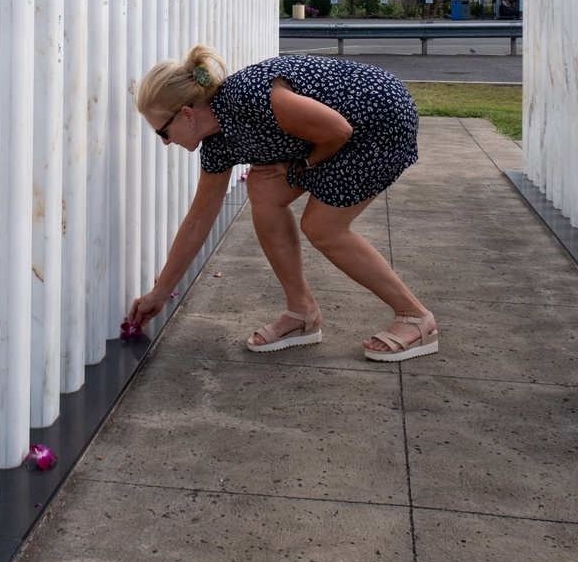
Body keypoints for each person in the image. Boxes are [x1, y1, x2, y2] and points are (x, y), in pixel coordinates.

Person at [127, 44, 437, 361]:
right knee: (263, 189)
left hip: (379, 120)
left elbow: (337, 130)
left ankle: (415, 318)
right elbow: (198, 220)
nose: (165, 142)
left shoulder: (249, 96)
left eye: (163, 132)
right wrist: (160, 293)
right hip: (337, 132)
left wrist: (301, 165)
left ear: (187, 114)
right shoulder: (218, 145)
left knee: (323, 228)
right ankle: (302, 313)